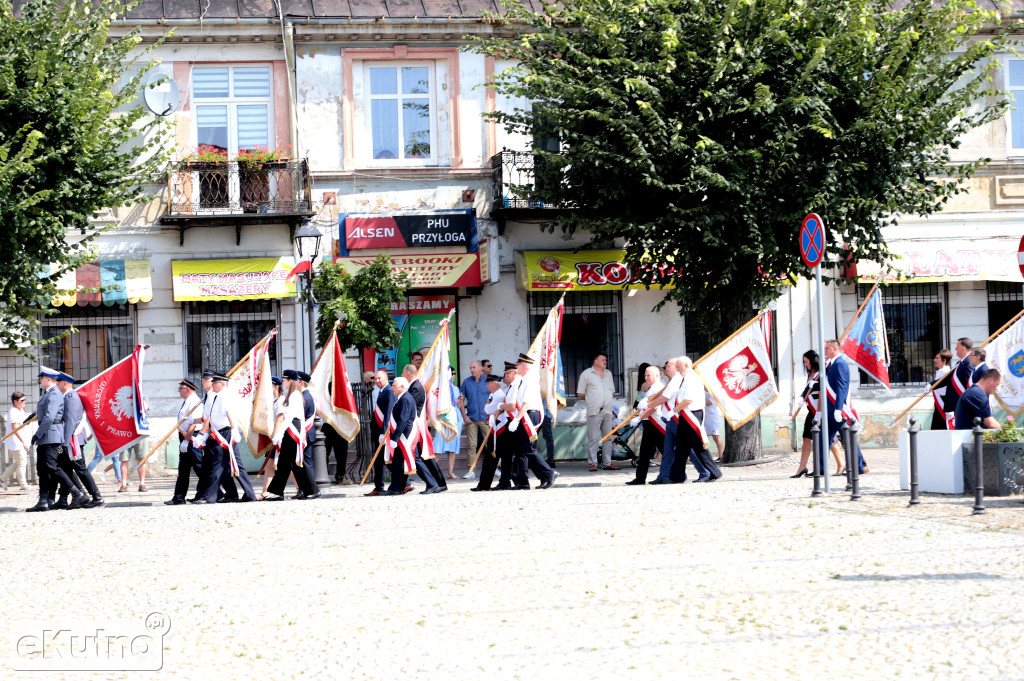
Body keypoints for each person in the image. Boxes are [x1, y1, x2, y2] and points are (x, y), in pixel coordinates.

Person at [27, 368, 84, 512]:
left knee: (52, 467)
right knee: (42, 469)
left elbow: (50, 417)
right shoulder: (49, 394)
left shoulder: (54, 394)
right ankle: (43, 500)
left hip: (50, 435)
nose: (40, 380)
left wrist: (37, 434)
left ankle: (76, 493)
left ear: (48, 379)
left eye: (42, 378)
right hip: (46, 435)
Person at [504, 353, 558, 490]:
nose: (516, 367)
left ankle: (548, 473)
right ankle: (528, 480)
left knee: (528, 448)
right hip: (525, 415)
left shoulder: (530, 381)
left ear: (524, 366)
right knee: (523, 449)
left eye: (518, 365)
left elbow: (526, 403)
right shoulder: (523, 380)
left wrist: (516, 419)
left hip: (530, 415)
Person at [56, 371, 102, 508]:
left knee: (80, 469)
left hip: (72, 440)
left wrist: (64, 442)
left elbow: (70, 421)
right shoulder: (67, 396)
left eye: (58, 382)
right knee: (66, 469)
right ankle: (68, 498)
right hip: (70, 440)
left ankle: (96, 497)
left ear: (64, 383)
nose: (56, 384)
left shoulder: (71, 397)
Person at [264, 375, 314, 501]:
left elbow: (290, 417)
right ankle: (278, 492)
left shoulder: (295, 395)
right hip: (291, 428)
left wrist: (279, 434)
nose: (283, 383)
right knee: (285, 463)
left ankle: (312, 490)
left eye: (285, 381)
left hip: (292, 429)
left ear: (290, 381)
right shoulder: (292, 395)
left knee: (296, 462)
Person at [673, 357, 721, 483]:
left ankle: (715, 472)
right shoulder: (686, 378)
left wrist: (676, 409)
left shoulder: (692, 379)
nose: (677, 369)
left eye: (679, 367)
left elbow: (688, 400)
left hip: (692, 416)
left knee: (699, 447)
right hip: (685, 416)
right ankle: (677, 476)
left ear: (687, 365)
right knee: (681, 448)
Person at [824, 340, 867, 474]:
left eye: (826, 349)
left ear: (834, 349)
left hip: (838, 410)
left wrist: (838, 408)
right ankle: (820, 469)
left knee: (848, 438)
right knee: (822, 437)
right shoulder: (831, 364)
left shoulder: (840, 364)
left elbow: (841, 387)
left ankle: (857, 467)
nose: (824, 351)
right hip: (830, 409)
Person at [402, 364, 446, 493]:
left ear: (409, 373)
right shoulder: (414, 386)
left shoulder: (415, 388)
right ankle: (438, 483)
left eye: (404, 372)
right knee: (425, 457)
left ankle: (436, 483)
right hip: (416, 426)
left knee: (423, 457)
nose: (403, 375)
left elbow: (410, 407)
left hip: (417, 427)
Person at [643, 357, 684, 484]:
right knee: (666, 451)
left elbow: (663, 399)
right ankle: (664, 476)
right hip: (666, 419)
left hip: (667, 420)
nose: (665, 368)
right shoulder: (669, 382)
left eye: (668, 366)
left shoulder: (672, 382)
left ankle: (705, 471)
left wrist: (645, 407)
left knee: (687, 449)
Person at [577, 352, 620, 472]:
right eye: (603, 360)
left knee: (608, 438)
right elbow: (581, 393)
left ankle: (607, 463)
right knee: (593, 438)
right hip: (594, 411)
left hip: (608, 411)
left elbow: (610, 391)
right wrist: (592, 401)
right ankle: (592, 463)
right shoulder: (586, 374)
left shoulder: (608, 374)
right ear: (595, 361)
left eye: (605, 360)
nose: (605, 362)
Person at [625, 364, 666, 485]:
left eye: (649, 375)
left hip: (656, 424)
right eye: (645, 375)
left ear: (657, 375)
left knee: (666, 450)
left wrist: (639, 418)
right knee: (644, 452)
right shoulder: (651, 388)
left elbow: (654, 407)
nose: (646, 377)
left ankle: (674, 474)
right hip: (649, 423)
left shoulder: (659, 388)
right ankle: (640, 478)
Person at [166, 379, 204, 505]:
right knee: (183, 470)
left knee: (199, 467)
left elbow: (195, 423)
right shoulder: (188, 401)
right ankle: (179, 497)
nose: (178, 391)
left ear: (187, 389)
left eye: (180, 388)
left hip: (191, 438)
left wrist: (187, 440)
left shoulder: (194, 402)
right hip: (185, 438)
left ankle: (211, 492)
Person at [472, 374, 513, 491]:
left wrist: (489, 406)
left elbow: (488, 409)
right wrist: (489, 406)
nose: (486, 386)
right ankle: (484, 484)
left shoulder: (500, 395)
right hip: (494, 428)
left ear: (495, 384)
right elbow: (486, 410)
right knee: (489, 458)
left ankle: (503, 482)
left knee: (501, 457)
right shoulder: (492, 395)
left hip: (501, 429)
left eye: (488, 384)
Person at [382, 377, 416, 495]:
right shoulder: (402, 398)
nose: (392, 388)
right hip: (400, 436)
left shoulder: (405, 398)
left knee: (399, 463)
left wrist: (395, 438)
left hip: (403, 436)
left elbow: (403, 420)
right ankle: (397, 487)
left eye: (394, 385)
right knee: (397, 463)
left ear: (402, 387)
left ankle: (396, 488)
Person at [790, 350, 821, 478]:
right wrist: (802, 398)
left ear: (813, 360)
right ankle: (802, 467)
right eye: (804, 362)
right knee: (806, 439)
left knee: (829, 441)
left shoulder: (820, 373)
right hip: (810, 411)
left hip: (818, 411)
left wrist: (819, 412)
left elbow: (821, 392)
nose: (805, 364)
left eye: (806, 361)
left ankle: (841, 465)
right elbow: (807, 390)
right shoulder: (811, 374)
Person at [459, 360, 491, 475]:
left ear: (480, 368)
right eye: (470, 368)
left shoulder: (488, 381)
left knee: (490, 444)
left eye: (473, 367)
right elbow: (461, 401)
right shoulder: (466, 382)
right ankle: (471, 470)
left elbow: (493, 398)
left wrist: (491, 414)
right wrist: (464, 415)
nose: (471, 370)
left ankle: (495, 468)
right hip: (471, 419)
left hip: (486, 419)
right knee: (472, 445)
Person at [366, 370, 394, 496]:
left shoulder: (389, 391)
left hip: (383, 433)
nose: (377, 381)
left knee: (386, 460)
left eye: (379, 378)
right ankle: (379, 486)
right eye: (375, 379)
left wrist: (383, 433)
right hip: (377, 432)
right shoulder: (382, 391)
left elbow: (388, 414)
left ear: (386, 378)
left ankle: (406, 483)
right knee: (379, 460)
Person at [434, 366, 464, 479]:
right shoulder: (440, 388)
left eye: (453, 373)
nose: (452, 375)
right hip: (444, 418)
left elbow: (459, 405)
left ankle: (450, 473)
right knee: (438, 445)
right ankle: (434, 472)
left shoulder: (455, 388)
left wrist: (460, 401)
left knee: (453, 446)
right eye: (450, 373)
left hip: (455, 417)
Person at [257, 376, 284, 500]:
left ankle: (299, 488)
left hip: (279, 437)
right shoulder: (273, 401)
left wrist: (275, 435)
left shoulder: (281, 401)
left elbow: (279, 419)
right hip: (273, 436)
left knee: (286, 466)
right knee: (269, 464)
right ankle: (265, 492)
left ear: (276, 386)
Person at [296, 370, 322, 499]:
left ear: (301, 383)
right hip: (304, 433)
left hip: (305, 434)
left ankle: (311, 490)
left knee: (306, 463)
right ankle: (303, 489)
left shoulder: (305, 397)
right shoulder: (305, 395)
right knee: (301, 463)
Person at [2, 392, 34, 491]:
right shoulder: (14, 411)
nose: (24, 402)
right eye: (22, 400)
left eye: (25, 400)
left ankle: (2, 478)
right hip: (17, 442)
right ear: (15, 401)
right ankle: (23, 485)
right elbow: (15, 427)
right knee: (21, 463)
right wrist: (23, 441)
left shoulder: (19, 410)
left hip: (18, 441)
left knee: (19, 462)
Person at [942, 337, 974, 429]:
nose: (955, 349)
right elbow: (948, 378)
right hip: (957, 404)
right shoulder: (960, 363)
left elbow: (969, 384)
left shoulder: (968, 363)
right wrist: (931, 385)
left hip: (962, 404)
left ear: (963, 349)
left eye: (957, 347)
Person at [929, 349, 953, 431]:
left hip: (943, 404)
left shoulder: (945, 373)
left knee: (942, 429)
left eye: (937, 358)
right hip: (938, 403)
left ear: (944, 360)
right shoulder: (940, 372)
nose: (934, 360)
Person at [703, 390, 724, 461]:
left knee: (716, 438)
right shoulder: (706, 394)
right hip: (705, 418)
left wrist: (699, 394)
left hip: (713, 419)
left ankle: (721, 456)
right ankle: (703, 457)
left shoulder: (714, 394)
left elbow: (708, 403)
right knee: (702, 438)